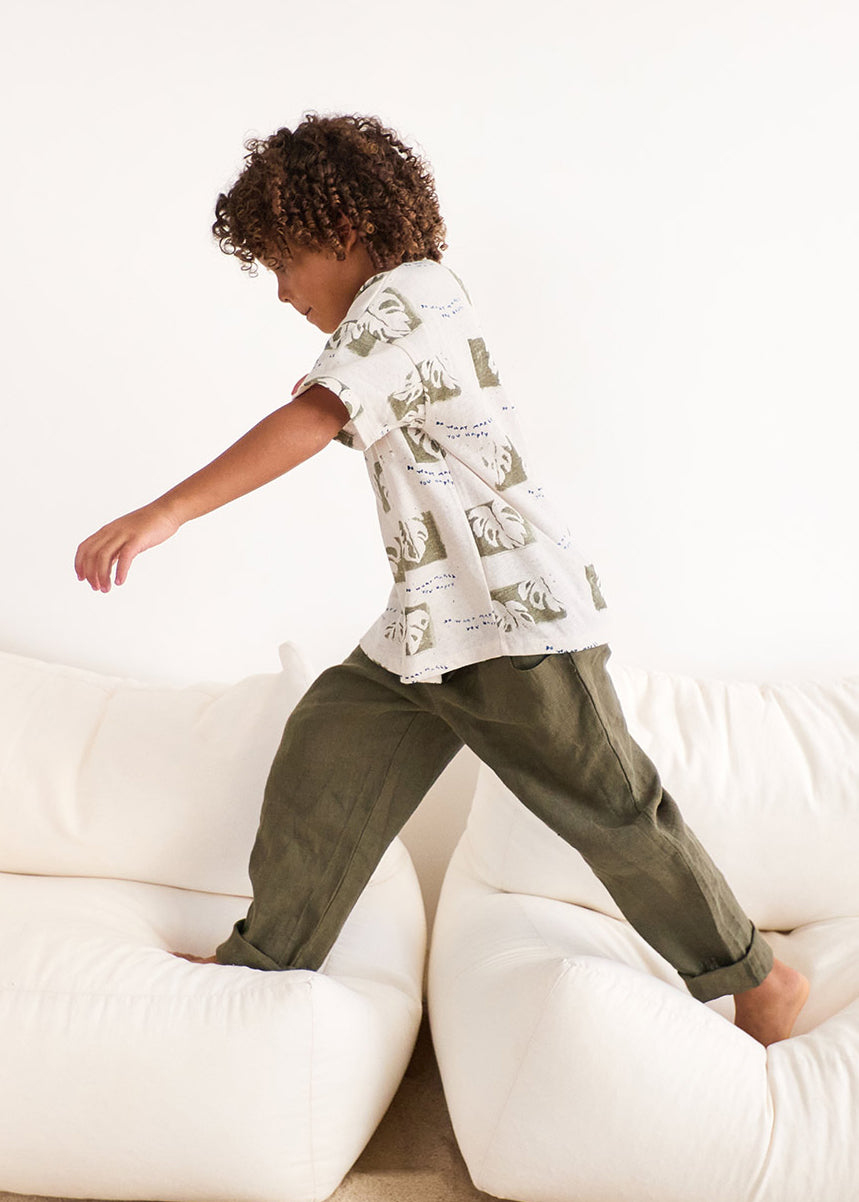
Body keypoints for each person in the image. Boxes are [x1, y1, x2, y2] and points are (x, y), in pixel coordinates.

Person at [75, 112, 808, 1046]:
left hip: (512, 620)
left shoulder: (409, 297)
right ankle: (266, 961)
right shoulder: (400, 315)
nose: (279, 291)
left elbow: (308, 419)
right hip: (432, 623)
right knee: (324, 752)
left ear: (341, 235)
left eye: (281, 261)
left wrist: (165, 511)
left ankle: (757, 977)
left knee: (609, 808)